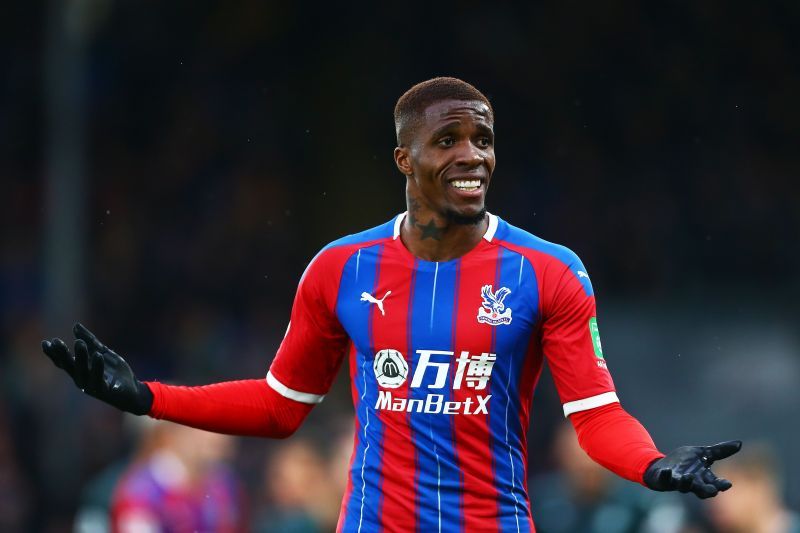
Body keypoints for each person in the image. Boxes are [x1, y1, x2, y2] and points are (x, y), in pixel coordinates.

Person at [42, 77, 741, 532]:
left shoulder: (550, 271)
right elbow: (281, 404)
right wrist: (147, 398)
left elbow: (596, 417)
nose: (473, 155)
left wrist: (652, 465)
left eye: (484, 139)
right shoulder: (341, 268)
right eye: (449, 141)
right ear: (405, 159)